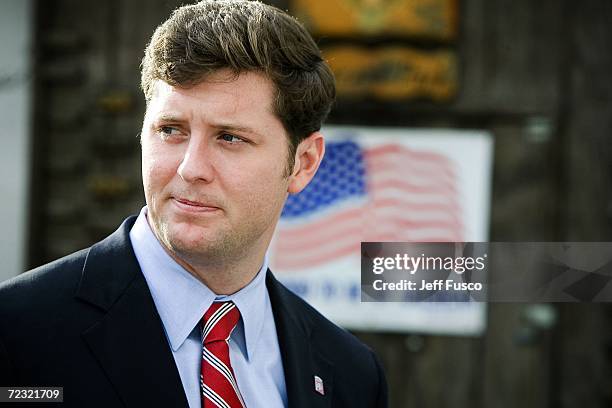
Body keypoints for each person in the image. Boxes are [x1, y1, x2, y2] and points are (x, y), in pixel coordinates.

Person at [0, 1, 388, 407]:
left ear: (303, 164)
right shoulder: (16, 332)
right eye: (171, 130)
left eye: (229, 138)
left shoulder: (352, 376)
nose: (191, 168)